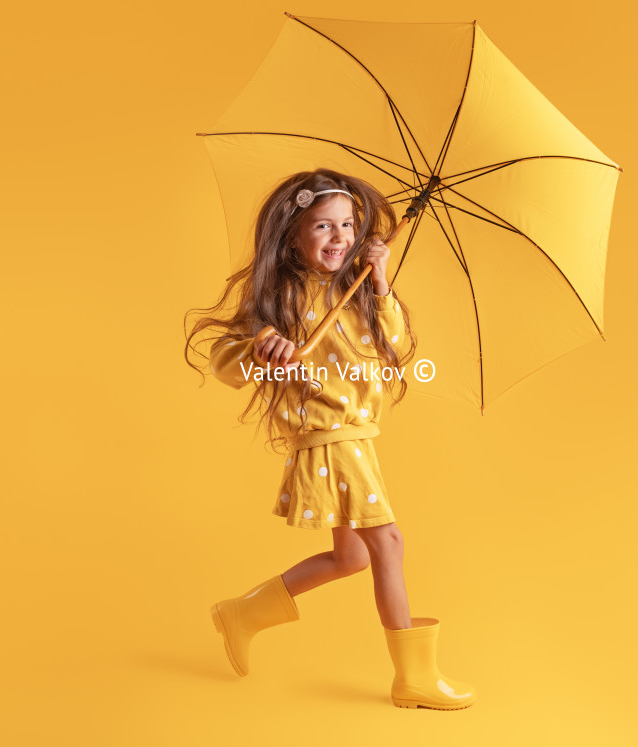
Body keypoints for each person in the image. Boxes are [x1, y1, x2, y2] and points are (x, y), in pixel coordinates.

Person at [184, 168, 476, 710]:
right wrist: (264, 347)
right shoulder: (283, 295)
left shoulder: (358, 288)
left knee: (352, 559)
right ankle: (414, 677)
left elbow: (395, 346)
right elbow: (230, 360)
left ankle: (242, 613)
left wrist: (382, 281)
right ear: (294, 235)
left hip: (358, 437)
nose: (340, 236)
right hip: (329, 436)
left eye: (348, 224)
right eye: (323, 225)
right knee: (387, 544)